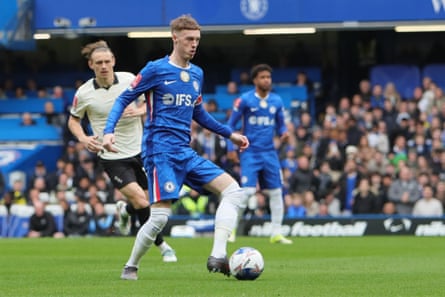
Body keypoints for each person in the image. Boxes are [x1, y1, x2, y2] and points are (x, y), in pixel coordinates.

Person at [102, 14, 249, 280]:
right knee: (159, 218)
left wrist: (231, 135)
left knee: (234, 192)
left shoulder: (196, 74)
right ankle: (130, 266)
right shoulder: (155, 69)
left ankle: (217, 255)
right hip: (160, 153)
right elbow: (124, 98)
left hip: (185, 152)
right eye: (189, 39)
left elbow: (199, 113)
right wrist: (108, 131)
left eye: (197, 40)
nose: (194, 44)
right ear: (175, 38)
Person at [67, 40, 177, 262]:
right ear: (91, 65)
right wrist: (82, 138)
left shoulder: (129, 80)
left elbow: (157, 101)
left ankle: (125, 211)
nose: (104, 66)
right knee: (142, 202)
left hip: (141, 151)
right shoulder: (84, 92)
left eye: (107, 61)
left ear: (114, 61)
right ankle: (163, 245)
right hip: (112, 156)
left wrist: (139, 111)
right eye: (99, 63)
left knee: (151, 201)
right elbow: (73, 121)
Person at [227, 63, 292, 244]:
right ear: (255, 80)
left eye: (268, 77)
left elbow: (281, 125)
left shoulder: (277, 101)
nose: (266, 80)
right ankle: (231, 229)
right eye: (263, 77)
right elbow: (230, 126)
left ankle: (276, 233)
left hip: (270, 153)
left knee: (276, 192)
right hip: (250, 153)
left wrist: (284, 134)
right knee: (247, 192)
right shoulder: (245, 100)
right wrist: (231, 148)